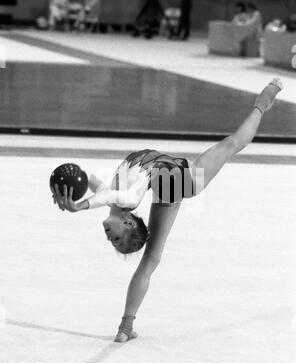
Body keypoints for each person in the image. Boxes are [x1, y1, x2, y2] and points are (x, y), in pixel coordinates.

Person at [51, 79, 283, 343]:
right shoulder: (127, 199)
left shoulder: (114, 201)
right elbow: (111, 194)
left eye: (111, 241)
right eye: (116, 238)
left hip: (165, 183)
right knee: (232, 143)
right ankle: (262, 106)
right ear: (127, 223)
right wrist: (80, 206)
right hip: (185, 180)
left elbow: (94, 183)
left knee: (151, 259)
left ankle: (126, 326)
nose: (108, 237)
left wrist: (71, 182)